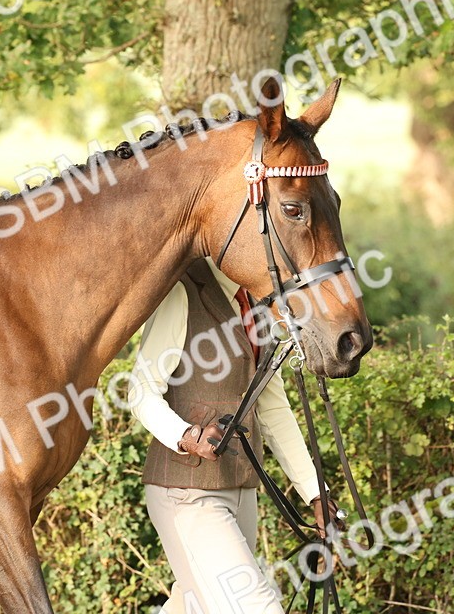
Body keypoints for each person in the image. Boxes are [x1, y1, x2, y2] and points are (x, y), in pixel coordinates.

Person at [128, 257, 332, 614]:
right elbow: (141, 389)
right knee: (256, 607)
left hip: (241, 490)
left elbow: (272, 408)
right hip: (186, 491)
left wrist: (315, 493)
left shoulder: (259, 303)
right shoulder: (183, 291)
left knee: (193, 605)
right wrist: (187, 434)